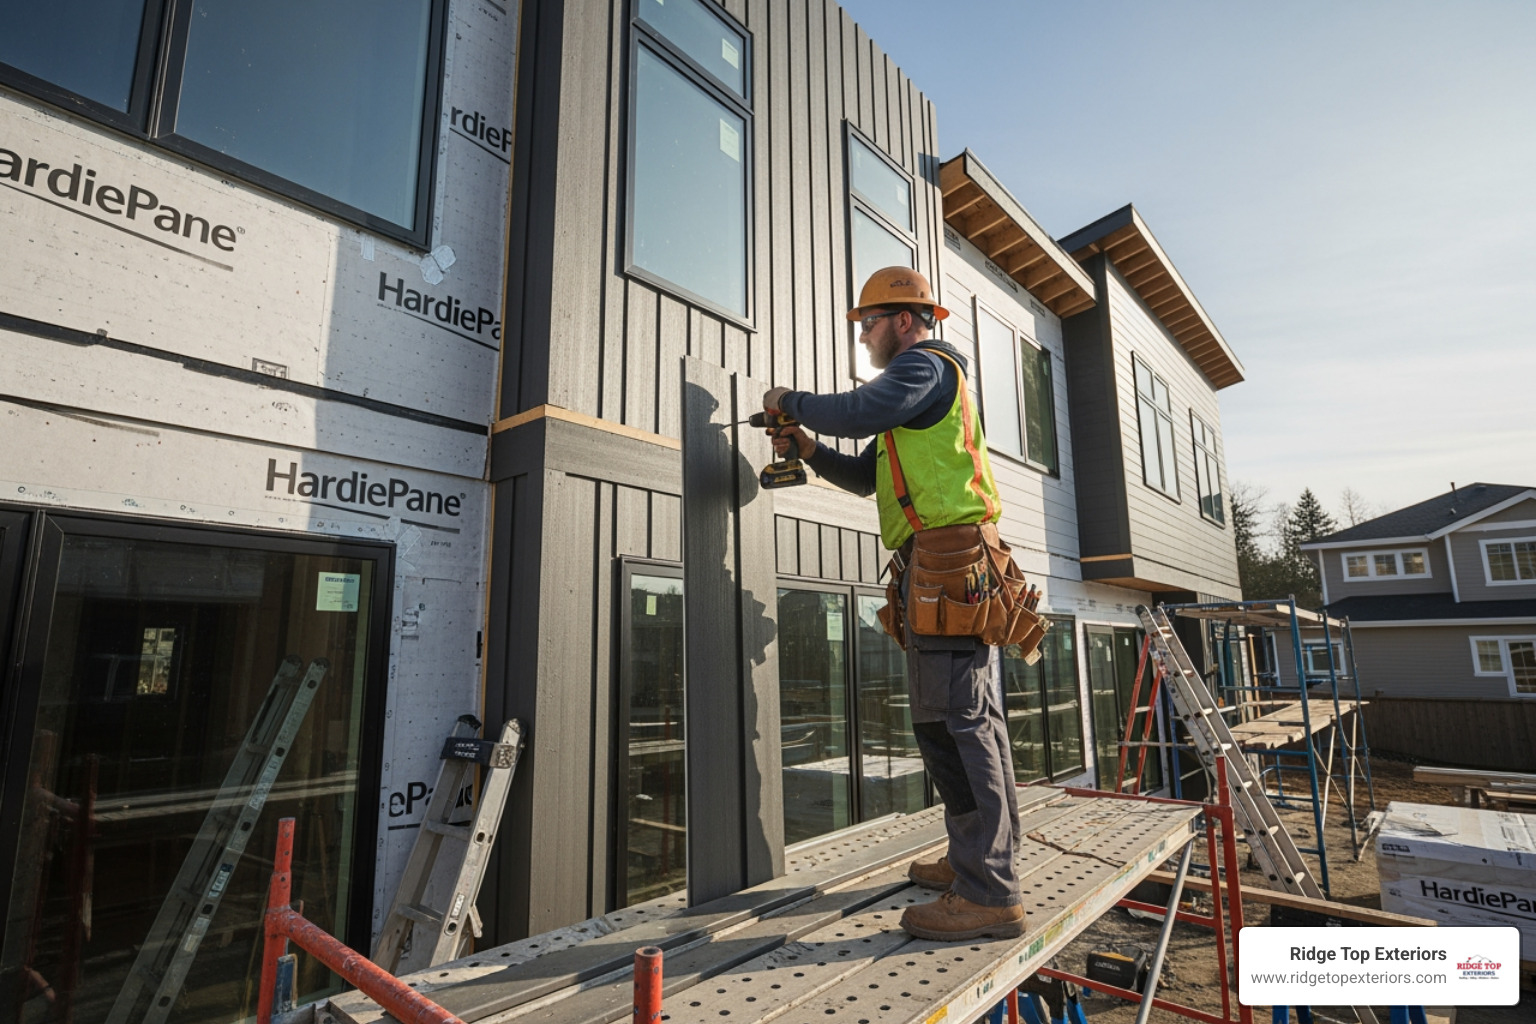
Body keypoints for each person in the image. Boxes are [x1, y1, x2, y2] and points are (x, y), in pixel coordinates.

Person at [762, 267, 1024, 941]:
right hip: (941, 568)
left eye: (869, 322)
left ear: (905, 320)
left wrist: (790, 398)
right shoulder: (914, 397)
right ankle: (976, 859)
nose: (865, 334)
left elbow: (860, 409)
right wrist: (810, 447)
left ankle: (989, 891)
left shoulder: (926, 370)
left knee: (956, 727)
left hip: (948, 566)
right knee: (963, 723)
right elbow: (866, 472)